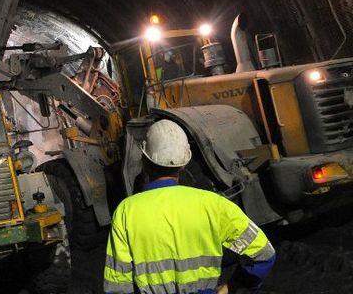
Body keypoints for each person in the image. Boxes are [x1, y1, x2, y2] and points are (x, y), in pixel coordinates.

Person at [103, 119, 275, 294]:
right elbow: (264, 254)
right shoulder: (213, 205)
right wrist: (232, 287)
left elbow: (117, 287)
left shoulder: (126, 212)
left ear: (144, 160)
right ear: (184, 163)